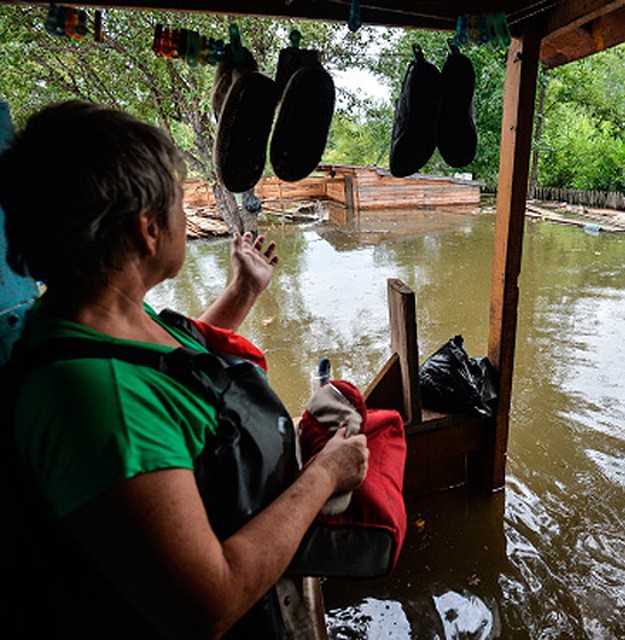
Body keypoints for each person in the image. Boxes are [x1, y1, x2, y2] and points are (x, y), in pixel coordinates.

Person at [0, 100, 369, 639]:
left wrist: (242, 292)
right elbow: (210, 605)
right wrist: (325, 475)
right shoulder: (101, 403)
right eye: (177, 203)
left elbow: (168, 371)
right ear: (148, 229)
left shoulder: (96, 314)